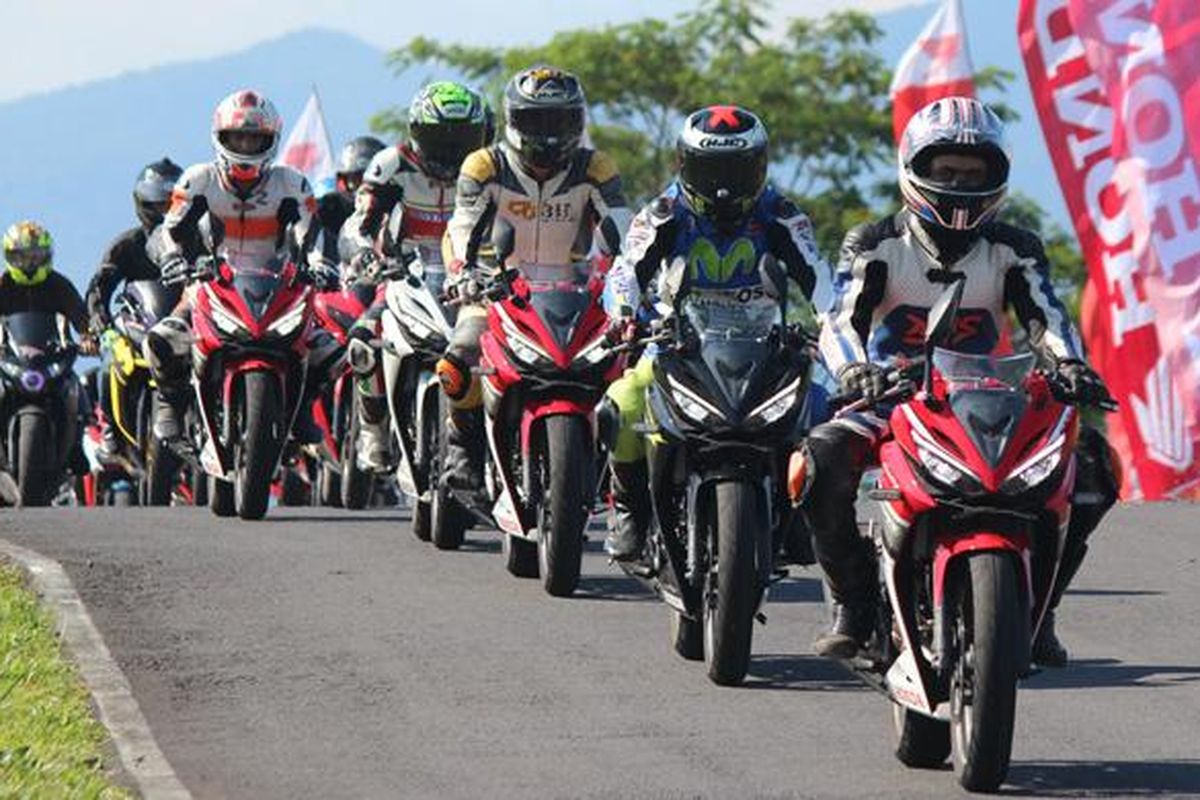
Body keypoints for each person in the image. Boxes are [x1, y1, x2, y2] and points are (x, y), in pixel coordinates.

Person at [800, 96, 1117, 666]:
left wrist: (1068, 364)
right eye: (945, 170)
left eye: (974, 173)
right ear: (914, 168)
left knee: (1092, 462)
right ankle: (853, 605)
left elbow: (1048, 315)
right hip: (889, 396)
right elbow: (841, 318)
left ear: (997, 177)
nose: (958, 183)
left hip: (987, 397)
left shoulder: (1014, 248)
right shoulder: (874, 243)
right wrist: (854, 370)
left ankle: (1040, 613)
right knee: (820, 458)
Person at [601, 105, 825, 561]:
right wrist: (624, 314)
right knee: (624, 402)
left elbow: (819, 277)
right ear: (684, 165)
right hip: (678, 339)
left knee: (821, 408)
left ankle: (801, 513)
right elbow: (625, 271)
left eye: (736, 169)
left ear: (760, 167)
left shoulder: (781, 214)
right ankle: (630, 508)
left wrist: (833, 325)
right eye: (710, 168)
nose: (723, 184)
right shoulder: (664, 212)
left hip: (761, 343)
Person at [435, 65, 631, 496]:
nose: (548, 133)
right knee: (459, 354)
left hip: (575, 295)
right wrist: (463, 274)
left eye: (559, 121)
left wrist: (637, 274)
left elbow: (624, 229)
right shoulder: (485, 164)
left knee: (628, 365)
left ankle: (622, 475)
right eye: (536, 121)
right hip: (495, 288)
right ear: (513, 120)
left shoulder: (595, 167)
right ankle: (462, 443)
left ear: (577, 122)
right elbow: (463, 225)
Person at [143, 89, 333, 442]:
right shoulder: (197, 179)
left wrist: (321, 265)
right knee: (163, 339)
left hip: (278, 287)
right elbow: (167, 230)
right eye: (238, 137)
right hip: (212, 281)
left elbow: (313, 232)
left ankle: (304, 403)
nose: (246, 146)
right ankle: (169, 400)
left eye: (255, 138)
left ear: (272, 140)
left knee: (330, 348)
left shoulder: (292, 183)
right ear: (220, 137)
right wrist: (172, 258)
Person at [340, 82, 491, 473]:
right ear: (416, 132)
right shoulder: (392, 163)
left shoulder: (488, 169)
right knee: (361, 345)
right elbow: (359, 221)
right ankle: (373, 431)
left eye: (462, 138)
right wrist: (363, 255)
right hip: (406, 274)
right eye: (439, 138)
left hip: (472, 280)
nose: (450, 149)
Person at [85, 158, 183, 459]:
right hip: (138, 327)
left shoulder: (193, 240)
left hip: (183, 328)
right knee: (108, 367)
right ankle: (111, 431)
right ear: (142, 203)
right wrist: (101, 326)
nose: (164, 212)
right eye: (157, 205)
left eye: (170, 205)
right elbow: (99, 287)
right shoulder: (127, 244)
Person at [1, 221, 97, 353]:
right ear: (10, 256)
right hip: (8, 361)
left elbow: (82, 318)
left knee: (94, 374)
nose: (30, 264)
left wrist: (88, 338)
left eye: (36, 256)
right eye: (23, 257)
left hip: (55, 361)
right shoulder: (3, 285)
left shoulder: (59, 285)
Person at [314, 136, 386, 266]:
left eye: (369, 182)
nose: (362, 190)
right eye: (356, 180)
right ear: (345, 181)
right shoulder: (327, 209)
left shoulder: (399, 210)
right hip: (336, 280)